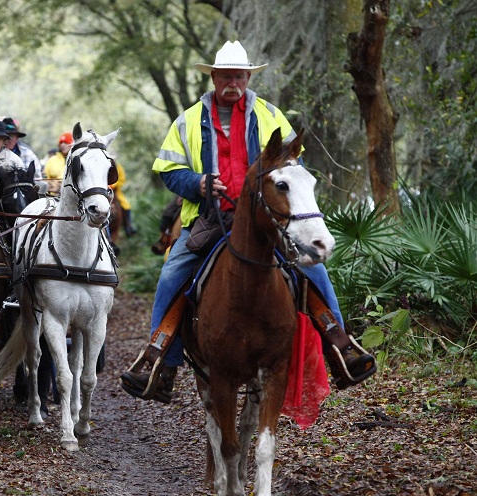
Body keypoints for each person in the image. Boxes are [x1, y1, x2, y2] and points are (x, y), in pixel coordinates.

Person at [120, 41, 376, 403]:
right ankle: (161, 365)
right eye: (226, 75)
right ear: (213, 76)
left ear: (247, 77)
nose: (233, 82)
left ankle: (342, 349)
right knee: (172, 273)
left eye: (239, 76)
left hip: (266, 219)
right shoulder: (188, 119)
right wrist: (198, 183)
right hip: (210, 217)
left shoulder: (271, 114)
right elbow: (169, 170)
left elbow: (293, 165)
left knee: (313, 267)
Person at [2, 117, 44, 186]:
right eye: (4, 137)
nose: (7, 140)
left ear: (17, 138)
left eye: (11, 137)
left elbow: (37, 180)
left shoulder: (28, 154)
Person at [108, 157, 137, 236]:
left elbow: (122, 179)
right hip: (103, 189)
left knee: (126, 205)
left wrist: (113, 185)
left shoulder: (118, 167)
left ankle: (129, 226)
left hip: (115, 191)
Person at [44, 132, 73, 197]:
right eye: (61, 143)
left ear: (72, 144)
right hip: (53, 198)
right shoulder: (52, 160)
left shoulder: (77, 159)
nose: (62, 145)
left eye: (66, 142)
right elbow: (44, 181)